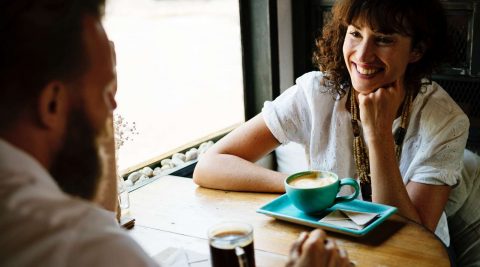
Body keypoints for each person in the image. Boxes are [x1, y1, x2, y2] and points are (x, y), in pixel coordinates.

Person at [0, 0, 350, 266]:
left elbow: (102, 218)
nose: (113, 111)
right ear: (51, 105)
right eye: (106, 93)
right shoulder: (81, 244)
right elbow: (96, 230)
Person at [193, 0, 470, 252]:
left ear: (416, 50)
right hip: (331, 246)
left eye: (383, 39)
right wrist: (305, 191)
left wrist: (378, 134)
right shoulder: (317, 93)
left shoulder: (447, 121)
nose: (363, 55)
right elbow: (210, 165)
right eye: (355, 33)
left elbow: (413, 237)